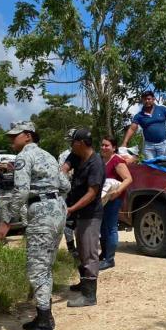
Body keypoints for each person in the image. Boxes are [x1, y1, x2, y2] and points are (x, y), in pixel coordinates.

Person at [0, 121, 68, 330]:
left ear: (27, 136)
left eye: (14, 136)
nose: (11, 140)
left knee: (37, 268)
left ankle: (45, 327)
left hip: (41, 213)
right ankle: (44, 316)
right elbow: (65, 185)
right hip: (57, 211)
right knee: (45, 265)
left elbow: (21, 190)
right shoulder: (48, 155)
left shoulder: (24, 157)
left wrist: (6, 222)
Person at [62, 128, 104, 306]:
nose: (70, 145)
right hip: (80, 212)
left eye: (72, 142)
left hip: (90, 213)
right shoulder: (76, 155)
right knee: (81, 249)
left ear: (80, 143)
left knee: (89, 253)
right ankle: (83, 283)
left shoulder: (96, 164)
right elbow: (64, 167)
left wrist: (71, 209)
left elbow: (92, 193)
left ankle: (89, 295)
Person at [99, 136, 132, 271]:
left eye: (107, 145)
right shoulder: (100, 160)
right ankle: (104, 254)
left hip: (114, 199)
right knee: (102, 227)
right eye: (102, 145)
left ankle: (110, 259)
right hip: (103, 198)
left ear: (113, 148)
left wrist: (117, 192)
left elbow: (128, 179)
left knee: (111, 227)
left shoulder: (117, 161)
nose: (103, 147)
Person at [122, 90, 166, 160]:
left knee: (163, 166)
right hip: (148, 146)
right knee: (150, 167)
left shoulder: (161, 109)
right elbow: (132, 129)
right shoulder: (139, 115)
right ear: (142, 101)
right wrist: (125, 142)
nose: (147, 101)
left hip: (163, 144)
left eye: (149, 99)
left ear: (153, 99)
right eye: (144, 99)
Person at [58, 127, 79, 258]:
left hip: (82, 191)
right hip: (68, 191)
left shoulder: (86, 153)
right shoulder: (64, 155)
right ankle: (71, 247)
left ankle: (83, 246)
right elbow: (61, 173)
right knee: (69, 220)